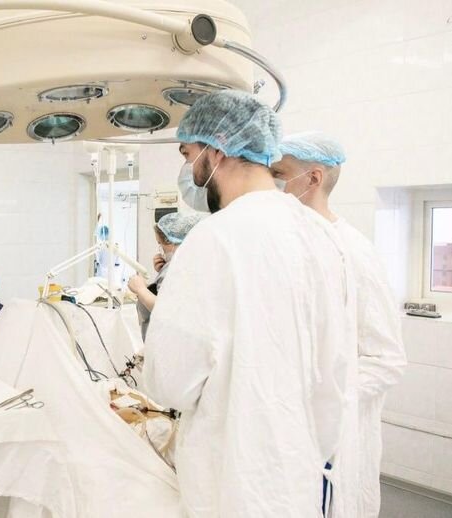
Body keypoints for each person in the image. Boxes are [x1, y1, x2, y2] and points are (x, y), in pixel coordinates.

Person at [142, 90, 357, 517]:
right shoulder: (320, 235)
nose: (189, 168)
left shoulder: (213, 238)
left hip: (231, 476)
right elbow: (335, 369)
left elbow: (170, 382)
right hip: (299, 469)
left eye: (188, 154)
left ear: (216, 150)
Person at [273, 131, 407, 518]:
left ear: (313, 179)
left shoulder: (355, 252)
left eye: (279, 174)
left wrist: (319, 397)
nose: (271, 184)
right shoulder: (285, 242)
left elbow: (386, 359)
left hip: (331, 438)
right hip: (285, 429)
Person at [127, 212, 204, 340]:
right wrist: (161, 273)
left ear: (171, 241)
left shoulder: (179, 267)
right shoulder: (188, 264)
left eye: (160, 243)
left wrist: (140, 289)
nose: (160, 249)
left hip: (172, 342)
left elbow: (165, 309)